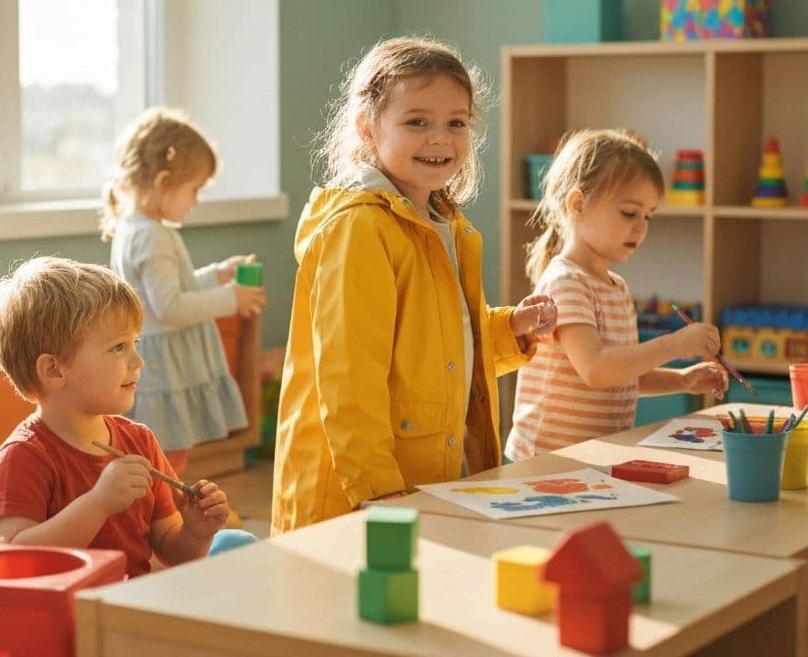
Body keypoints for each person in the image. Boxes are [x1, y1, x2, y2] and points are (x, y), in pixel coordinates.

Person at [271, 36, 558, 535]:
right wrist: (380, 493)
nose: (440, 139)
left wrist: (509, 327)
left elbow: (443, 351)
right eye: (417, 122)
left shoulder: (444, 224)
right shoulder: (360, 229)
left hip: (424, 479)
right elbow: (349, 378)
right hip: (358, 495)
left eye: (456, 123)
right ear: (368, 127)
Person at [0, 256, 251, 577]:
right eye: (117, 347)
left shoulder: (140, 441)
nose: (138, 361)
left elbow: (173, 552)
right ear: (53, 370)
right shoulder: (23, 457)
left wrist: (195, 532)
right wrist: (99, 503)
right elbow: (16, 560)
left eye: (134, 342)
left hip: (130, 606)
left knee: (238, 543)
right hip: (67, 617)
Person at [504, 129, 728, 461]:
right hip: (546, 458)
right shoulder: (566, 282)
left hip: (589, 456)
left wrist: (682, 380)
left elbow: (621, 375)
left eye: (648, 215)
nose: (641, 226)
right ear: (578, 204)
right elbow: (596, 369)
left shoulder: (616, 288)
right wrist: (675, 345)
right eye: (629, 212)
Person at [100, 106, 265, 474]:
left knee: (163, 452)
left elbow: (171, 289)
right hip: (163, 367)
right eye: (194, 189)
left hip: (159, 358)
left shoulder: (137, 227)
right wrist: (229, 300)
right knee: (166, 454)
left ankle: (161, 513)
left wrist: (217, 275)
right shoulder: (153, 236)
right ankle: (163, 515)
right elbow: (170, 307)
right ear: (162, 183)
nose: (196, 199)